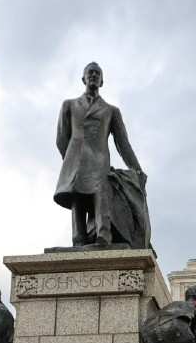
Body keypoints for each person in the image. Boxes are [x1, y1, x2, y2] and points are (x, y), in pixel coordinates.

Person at [55, 62, 146, 247]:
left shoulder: (111, 111)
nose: (94, 75)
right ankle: (78, 239)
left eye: (97, 73)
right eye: (90, 72)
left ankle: (103, 237)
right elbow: (61, 138)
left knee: (101, 195)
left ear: (102, 81)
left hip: (99, 161)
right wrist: (71, 159)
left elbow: (123, 144)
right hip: (76, 161)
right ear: (83, 78)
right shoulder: (69, 105)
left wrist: (137, 169)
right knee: (77, 199)